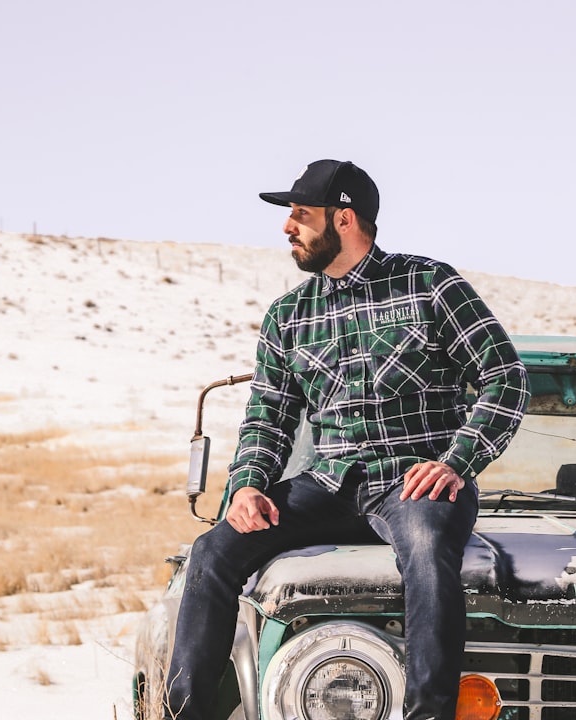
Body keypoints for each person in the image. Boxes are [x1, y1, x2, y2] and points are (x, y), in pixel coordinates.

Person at [164, 159, 529, 720]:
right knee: (212, 551)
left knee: (430, 553)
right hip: (329, 483)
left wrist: (457, 460)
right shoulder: (288, 316)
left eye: (301, 215)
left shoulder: (430, 284)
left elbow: (506, 376)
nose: (288, 227)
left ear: (345, 218)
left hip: (414, 483)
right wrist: (246, 485)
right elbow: (269, 416)